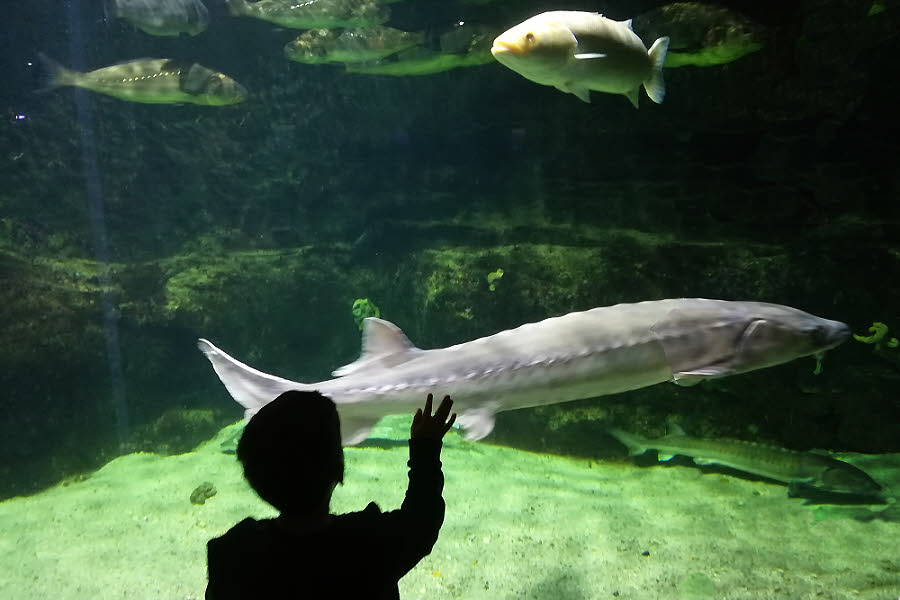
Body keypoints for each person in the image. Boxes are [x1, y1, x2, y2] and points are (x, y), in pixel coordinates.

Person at [205, 390, 456, 599]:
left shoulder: (233, 555)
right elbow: (422, 521)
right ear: (339, 467)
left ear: (251, 477)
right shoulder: (370, 543)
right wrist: (426, 450)